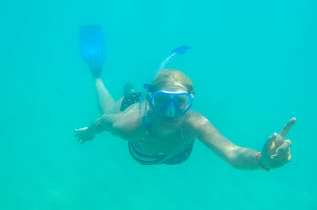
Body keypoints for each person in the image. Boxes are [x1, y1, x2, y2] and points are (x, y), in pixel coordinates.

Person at [75, 26, 296, 170]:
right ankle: (97, 76)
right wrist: (89, 133)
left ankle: (132, 91)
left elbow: (233, 152)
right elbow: (103, 121)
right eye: (162, 101)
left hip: (169, 153)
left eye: (179, 103)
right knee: (108, 109)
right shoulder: (129, 124)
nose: (170, 113)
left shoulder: (195, 123)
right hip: (136, 117)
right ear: (151, 100)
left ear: (190, 102)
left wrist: (262, 160)